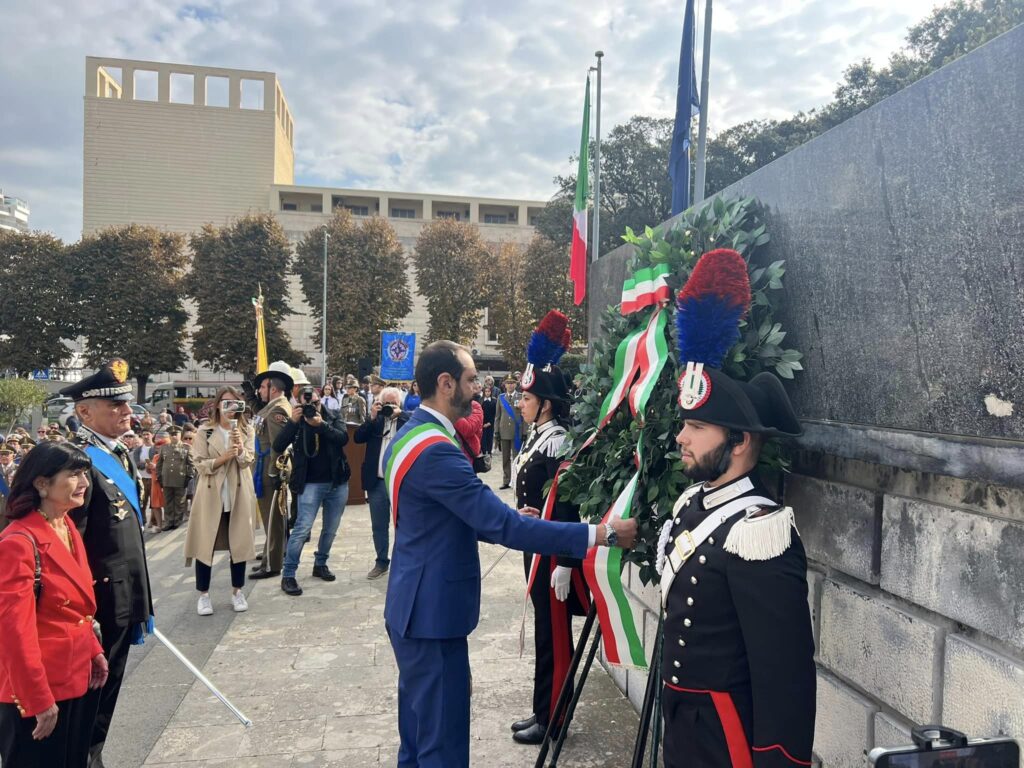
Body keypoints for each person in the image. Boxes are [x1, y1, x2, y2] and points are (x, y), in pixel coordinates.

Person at [382, 340, 638, 768]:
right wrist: (601, 535)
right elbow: (505, 528)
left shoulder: (411, 435)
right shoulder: (439, 451)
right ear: (445, 384)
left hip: (412, 606)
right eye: (469, 379)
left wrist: (500, 515)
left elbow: (440, 517)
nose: (477, 387)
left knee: (418, 737)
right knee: (440, 747)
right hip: (432, 616)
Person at [658, 247, 814, 768]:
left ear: (741, 441)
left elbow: (784, 674)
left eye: (697, 427)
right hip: (683, 724)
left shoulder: (760, 531)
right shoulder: (691, 505)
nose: (681, 437)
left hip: (727, 741)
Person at [59, 359, 154, 768]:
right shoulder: (79, 462)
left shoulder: (116, 454)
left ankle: (92, 755)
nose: (126, 412)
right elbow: (69, 542)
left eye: (125, 405)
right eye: (114, 406)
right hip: (99, 599)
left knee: (109, 689)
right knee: (90, 694)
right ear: (84, 412)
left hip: (124, 592)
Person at [0, 442, 110, 767]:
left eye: (84, 474)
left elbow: (75, 608)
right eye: (74, 474)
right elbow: (14, 634)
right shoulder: (18, 543)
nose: (84, 483)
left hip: (75, 676)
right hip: (38, 689)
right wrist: (36, 698)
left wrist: (93, 649)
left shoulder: (66, 525)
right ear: (42, 483)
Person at [510, 314, 590, 745]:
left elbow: (569, 507)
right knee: (545, 631)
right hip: (535, 547)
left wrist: (564, 563)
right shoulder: (536, 436)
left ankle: (554, 717)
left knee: (556, 636)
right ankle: (543, 708)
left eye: (527, 397)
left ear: (545, 402)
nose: (520, 402)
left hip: (553, 553)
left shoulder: (557, 440)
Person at [184, 387, 258, 615]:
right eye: (226, 402)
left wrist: (238, 451)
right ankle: (203, 595)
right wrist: (222, 458)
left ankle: (237, 591)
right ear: (217, 405)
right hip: (211, 494)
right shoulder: (205, 432)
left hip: (238, 493)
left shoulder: (246, 430)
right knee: (204, 544)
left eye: (235, 403)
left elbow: (248, 461)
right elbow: (198, 463)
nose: (230, 407)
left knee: (239, 543)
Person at [273, 386, 350, 596]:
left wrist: (321, 425)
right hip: (309, 484)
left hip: (336, 482)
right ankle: (288, 574)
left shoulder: (332, 416)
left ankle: (320, 563)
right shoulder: (296, 422)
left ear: (321, 401)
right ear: (298, 405)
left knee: (330, 529)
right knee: (302, 529)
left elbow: (343, 438)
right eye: (307, 404)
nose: (312, 407)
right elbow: (278, 445)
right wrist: (293, 422)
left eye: (315, 403)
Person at [354, 386, 409, 580]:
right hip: (377, 483)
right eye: (387, 404)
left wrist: (400, 414)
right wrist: (372, 416)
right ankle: (381, 561)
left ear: (399, 404)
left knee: (404, 525)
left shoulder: (406, 421)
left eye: (393, 404)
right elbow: (358, 438)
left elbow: (419, 426)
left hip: (401, 484)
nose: (390, 407)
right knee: (379, 525)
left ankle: (403, 562)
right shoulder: (375, 422)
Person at [250, 361, 294, 580]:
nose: (259, 391)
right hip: (263, 468)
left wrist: (275, 472)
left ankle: (272, 564)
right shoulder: (271, 407)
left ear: (273, 389)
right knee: (270, 518)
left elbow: (279, 445)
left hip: (269, 470)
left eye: (262, 387)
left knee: (272, 520)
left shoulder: (278, 410)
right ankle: (269, 557)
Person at [156, 426, 194, 531]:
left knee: (179, 502)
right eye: (171, 434)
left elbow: (191, 464)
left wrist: (189, 476)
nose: (173, 436)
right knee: (167, 502)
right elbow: (159, 464)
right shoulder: (164, 448)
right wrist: (159, 477)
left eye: (175, 434)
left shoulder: (186, 448)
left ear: (180, 435)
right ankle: (168, 522)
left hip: (180, 479)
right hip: (167, 479)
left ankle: (177, 521)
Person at [494, 375, 524, 489]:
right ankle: (506, 480)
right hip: (504, 431)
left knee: (517, 457)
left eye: (512, 383)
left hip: (517, 432)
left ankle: (516, 480)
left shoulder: (520, 397)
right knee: (505, 458)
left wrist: (525, 432)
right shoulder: (501, 398)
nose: (510, 385)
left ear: (516, 384)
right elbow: (497, 416)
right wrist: (496, 432)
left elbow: (523, 416)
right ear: (504, 385)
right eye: (508, 383)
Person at [480, 384, 497, 456]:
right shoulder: (480, 400)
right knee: (483, 438)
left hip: (490, 423)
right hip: (482, 423)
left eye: (489, 391)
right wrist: (482, 423)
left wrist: (490, 422)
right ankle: (484, 452)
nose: (487, 393)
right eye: (486, 391)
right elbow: (479, 413)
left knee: (490, 438)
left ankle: (489, 452)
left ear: (491, 392)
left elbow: (495, 413)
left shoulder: (494, 401)